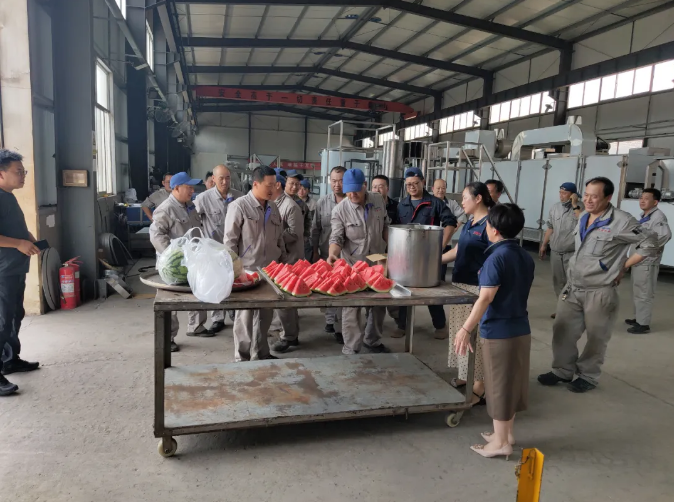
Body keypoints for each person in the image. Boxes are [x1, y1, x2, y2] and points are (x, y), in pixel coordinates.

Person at [538, 177, 658, 393]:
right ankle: (562, 370)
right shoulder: (583, 216)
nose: (588, 200)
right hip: (573, 287)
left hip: (600, 290)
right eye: (586, 195)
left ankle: (588, 375)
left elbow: (650, 242)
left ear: (608, 197)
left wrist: (624, 265)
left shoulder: (622, 221)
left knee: (596, 336)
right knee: (562, 330)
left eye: (594, 196)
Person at [454, 203, 534, 459]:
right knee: (510, 384)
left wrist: (465, 328)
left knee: (498, 387)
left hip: (499, 332)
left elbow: (486, 298)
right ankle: (506, 435)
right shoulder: (524, 255)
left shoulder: (495, 258)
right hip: (520, 328)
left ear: (494, 229)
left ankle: (500, 444)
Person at [224, 166, 286, 361]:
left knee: (266, 315)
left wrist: (282, 262)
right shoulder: (239, 206)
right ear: (256, 184)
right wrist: (234, 272)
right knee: (245, 317)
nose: (273, 189)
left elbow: (279, 239)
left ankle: (261, 354)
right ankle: (241, 358)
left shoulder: (273, 207)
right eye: (268, 185)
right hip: (247, 271)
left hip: (270, 270)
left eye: (275, 185)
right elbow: (230, 242)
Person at [441, 182, 495, 405]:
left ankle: (479, 386)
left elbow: (495, 257)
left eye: (465, 197)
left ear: (478, 198)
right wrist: (433, 260)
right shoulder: (470, 222)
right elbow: (459, 250)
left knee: (475, 336)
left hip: (477, 288)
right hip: (460, 285)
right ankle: (466, 374)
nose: (461, 202)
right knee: (460, 333)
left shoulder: (490, 224)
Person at [329, 168, 390, 355]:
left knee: (379, 305)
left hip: (377, 263)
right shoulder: (340, 210)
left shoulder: (378, 200)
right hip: (353, 265)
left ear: (365, 185)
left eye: (356, 190)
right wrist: (332, 255)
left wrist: (395, 250)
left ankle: (372, 341)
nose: (352, 195)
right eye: (349, 191)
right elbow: (336, 238)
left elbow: (385, 225)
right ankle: (351, 348)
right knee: (351, 307)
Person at [396, 168, 457, 339]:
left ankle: (440, 326)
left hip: (429, 256)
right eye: (408, 184)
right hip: (406, 256)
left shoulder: (435, 203)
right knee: (404, 289)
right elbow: (395, 227)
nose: (412, 187)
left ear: (423, 182)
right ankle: (402, 326)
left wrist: (440, 246)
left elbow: (450, 222)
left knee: (433, 291)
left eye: (416, 183)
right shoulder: (402, 204)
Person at [149, 172, 205, 352]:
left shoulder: (190, 206)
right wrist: (172, 257)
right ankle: (168, 338)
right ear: (177, 188)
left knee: (196, 292)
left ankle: (196, 327)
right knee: (170, 302)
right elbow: (156, 235)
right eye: (188, 187)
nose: (192, 190)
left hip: (192, 260)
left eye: (192, 187)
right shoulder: (165, 209)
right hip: (173, 266)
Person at [0, 150, 40, 396]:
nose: (23, 176)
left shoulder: (9, 196)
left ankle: (10, 359)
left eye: (24, 171)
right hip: (3, 271)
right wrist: (18, 243)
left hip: (15, 268)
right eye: (18, 172)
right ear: (1, 173)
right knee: (3, 320)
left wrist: (27, 237)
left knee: (15, 315)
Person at [194, 164, 244, 333]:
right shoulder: (203, 198)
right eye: (221, 178)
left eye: (227, 178)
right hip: (213, 251)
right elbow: (193, 219)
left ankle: (233, 313)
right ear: (213, 179)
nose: (224, 182)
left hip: (233, 250)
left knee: (233, 281)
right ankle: (217, 318)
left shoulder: (238, 197)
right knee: (215, 283)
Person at [625, 188, 671, 334]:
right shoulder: (645, 216)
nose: (642, 200)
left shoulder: (658, 217)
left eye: (646, 198)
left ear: (655, 202)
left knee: (644, 292)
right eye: (641, 198)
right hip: (638, 260)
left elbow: (665, 235)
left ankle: (643, 324)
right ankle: (638, 318)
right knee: (637, 290)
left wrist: (648, 249)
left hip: (647, 261)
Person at [269, 173, 304, 353]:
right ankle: (285, 331)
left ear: (277, 185)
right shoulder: (272, 204)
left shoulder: (290, 206)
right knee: (281, 299)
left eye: (270, 184)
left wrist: (273, 237)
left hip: (291, 259)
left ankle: (290, 337)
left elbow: (295, 233)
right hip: (279, 258)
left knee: (287, 300)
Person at [311, 165, 346, 343]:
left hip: (348, 256)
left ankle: (341, 328)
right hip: (327, 254)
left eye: (341, 181)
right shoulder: (322, 203)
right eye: (334, 181)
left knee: (344, 291)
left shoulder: (353, 201)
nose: (337, 184)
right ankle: (330, 320)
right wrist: (315, 251)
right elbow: (315, 229)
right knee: (329, 288)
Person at [539, 182, 583, 318]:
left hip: (572, 252)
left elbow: (583, 221)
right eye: (560, 192)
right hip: (556, 251)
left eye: (565, 193)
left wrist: (574, 204)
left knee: (572, 282)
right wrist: (544, 245)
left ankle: (573, 311)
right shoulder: (555, 208)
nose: (561, 195)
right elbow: (550, 227)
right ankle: (562, 309)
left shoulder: (580, 208)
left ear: (572, 195)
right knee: (558, 281)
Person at [433, 177, 466, 280]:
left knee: (441, 271)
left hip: (446, 241)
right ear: (433, 189)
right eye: (438, 188)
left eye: (443, 188)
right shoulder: (429, 202)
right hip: (430, 241)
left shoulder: (452, 203)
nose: (441, 190)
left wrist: (456, 227)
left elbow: (462, 214)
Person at [284, 170, 312, 247]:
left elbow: (308, 220)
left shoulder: (301, 203)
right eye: (292, 183)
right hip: (281, 243)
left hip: (297, 244)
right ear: (285, 182)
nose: (294, 187)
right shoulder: (279, 200)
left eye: (297, 184)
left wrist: (305, 236)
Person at [298, 179, 317, 262]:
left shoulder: (313, 204)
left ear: (308, 190)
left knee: (307, 261)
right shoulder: (293, 201)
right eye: (300, 188)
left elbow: (314, 223)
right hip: (296, 236)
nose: (301, 191)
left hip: (307, 238)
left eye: (304, 189)